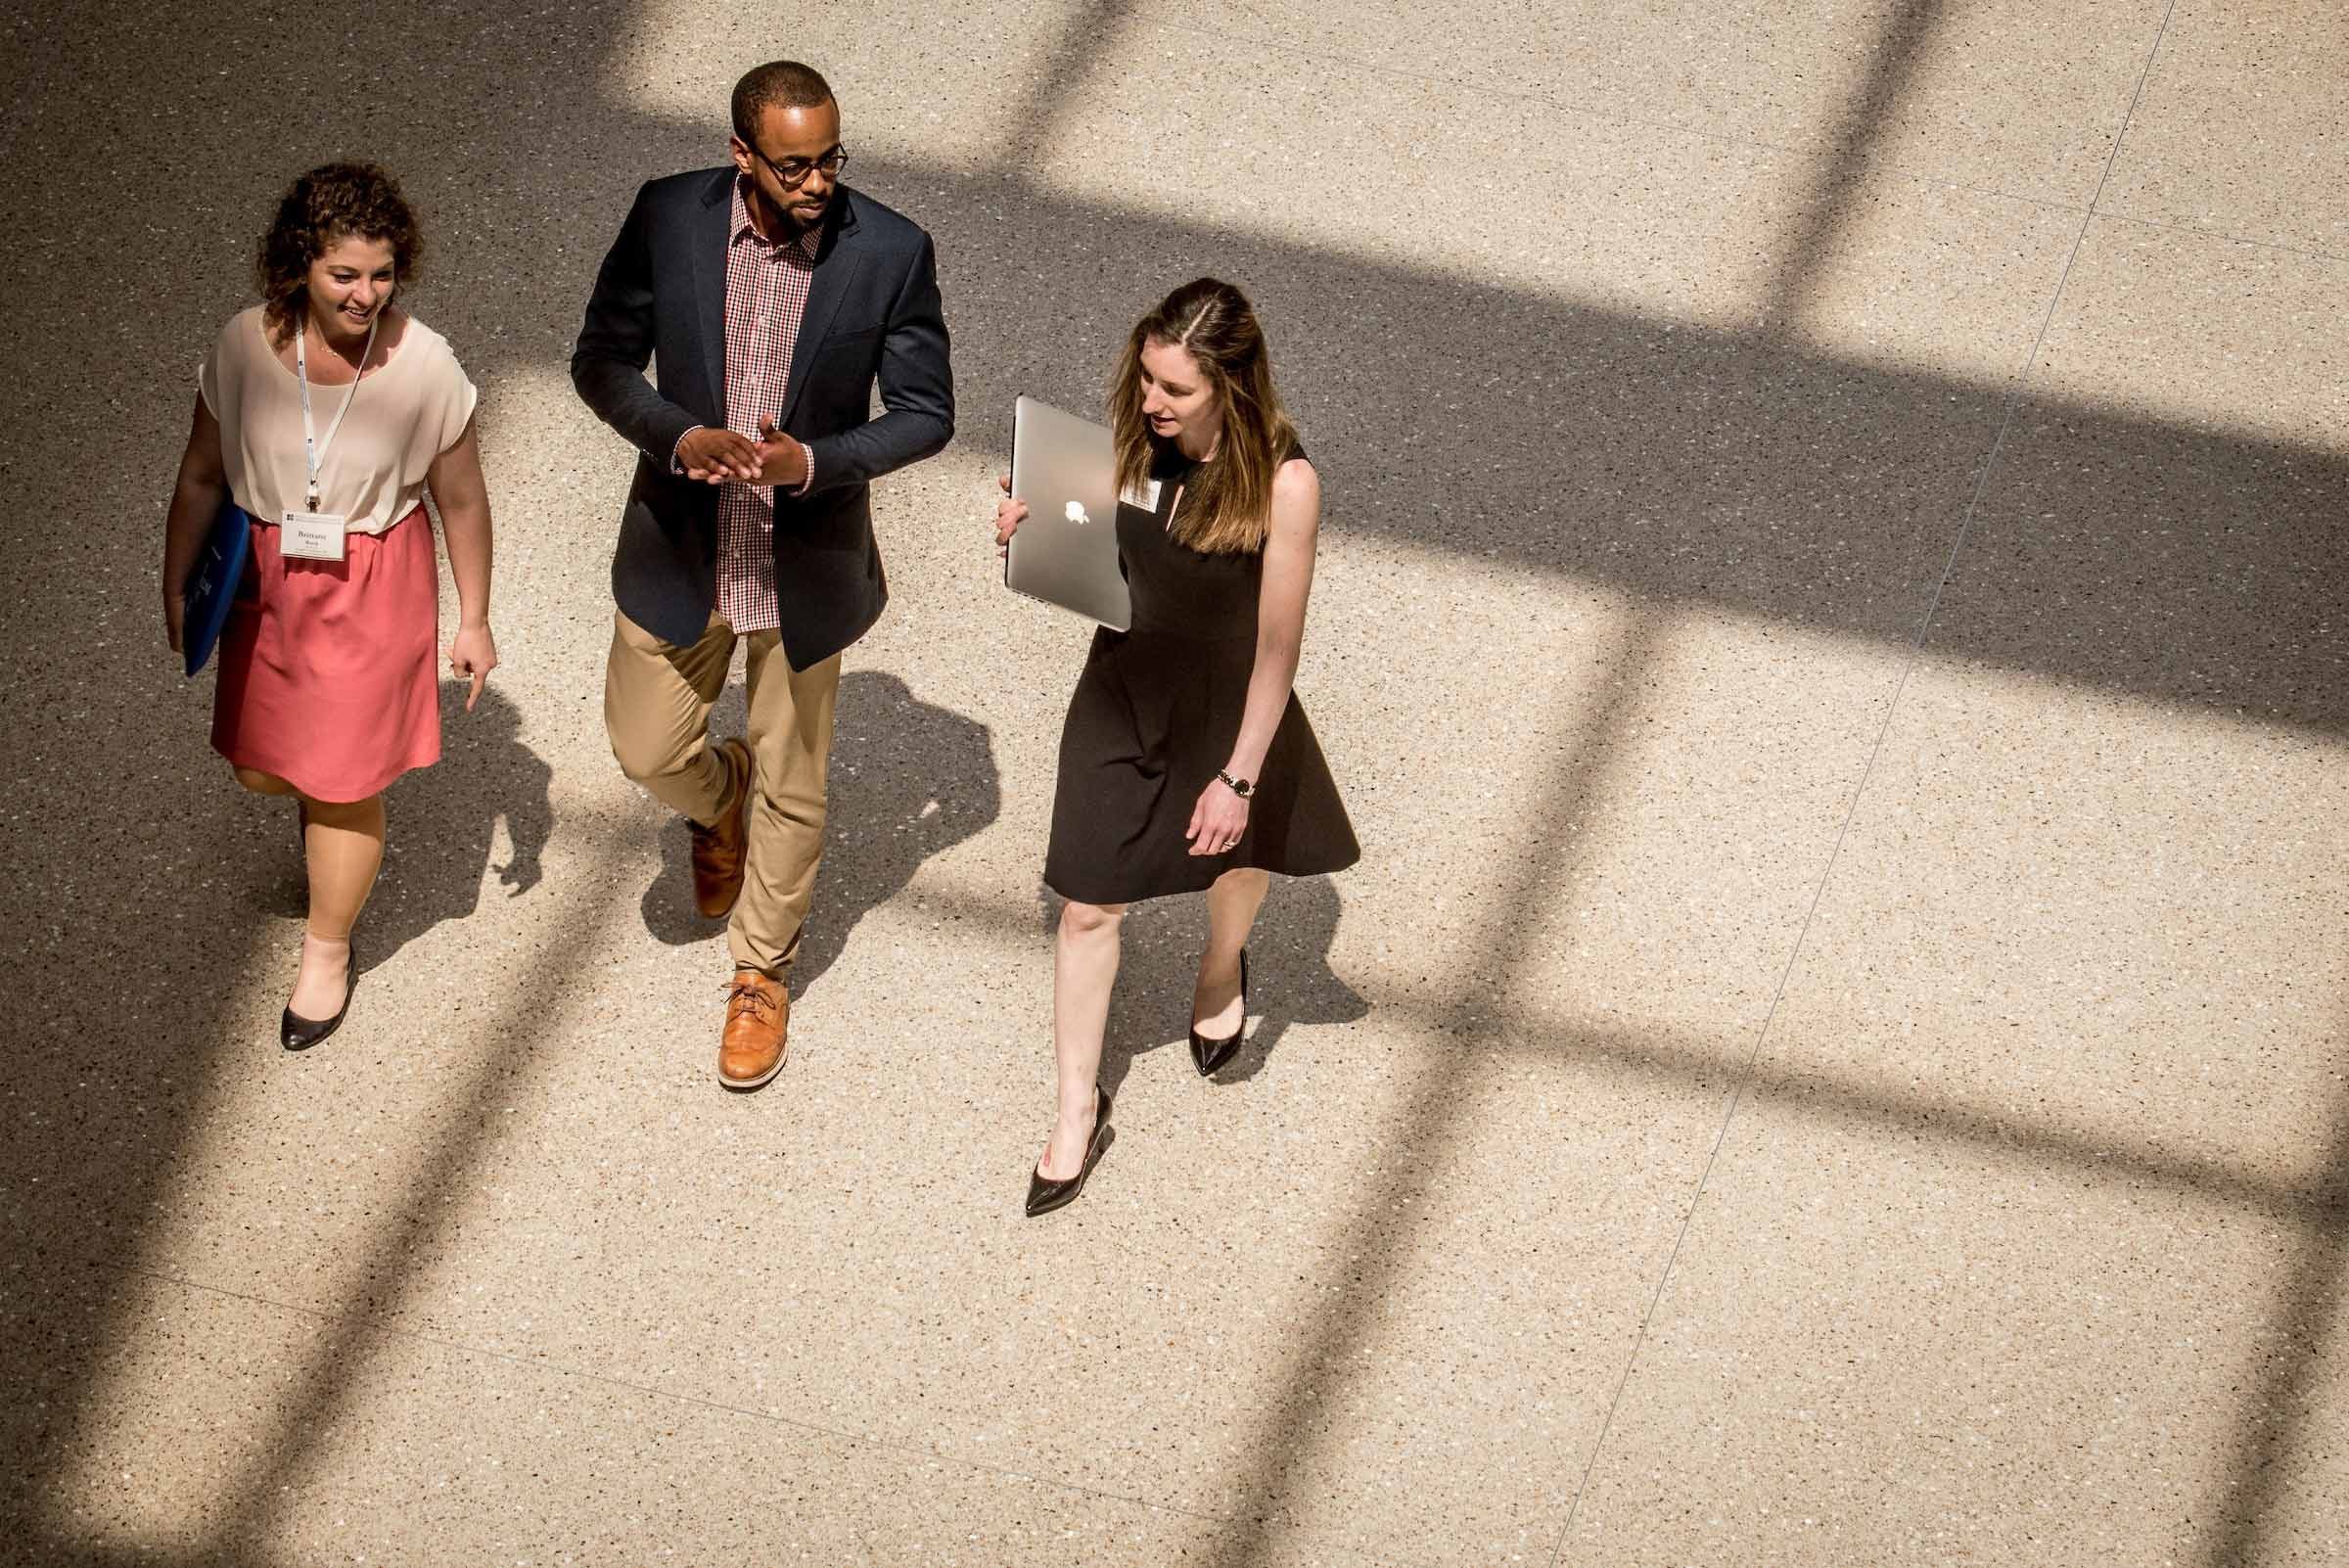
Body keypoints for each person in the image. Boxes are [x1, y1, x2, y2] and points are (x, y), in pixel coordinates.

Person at [573, 60, 953, 1090]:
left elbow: (928, 411)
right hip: (680, 544)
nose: (819, 181)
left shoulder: (892, 251)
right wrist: (677, 433)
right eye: (794, 164)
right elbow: (600, 359)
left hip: (805, 562)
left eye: (831, 158)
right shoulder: (666, 216)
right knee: (644, 742)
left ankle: (760, 972)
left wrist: (815, 463)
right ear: (742, 153)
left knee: (798, 776)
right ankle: (715, 793)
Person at [992, 278, 1359, 1216]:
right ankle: (1077, 1107)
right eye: (1147, 378)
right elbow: (1095, 555)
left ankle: (1221, 963)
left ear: (1231, 388)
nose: (1151, 402)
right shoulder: (1129, 438)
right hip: (1122, 688)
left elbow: (1278, 648)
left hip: (1228, 704)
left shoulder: (1286, 483)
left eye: (1174, 390)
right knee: (1085, 904)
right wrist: (1028, 534)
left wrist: (1239, 776)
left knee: (1233, 864)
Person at [160, 162, 497, 1051]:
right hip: (266, 581)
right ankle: (326, 822)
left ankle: (327, 950)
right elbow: (199, 474)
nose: (366, 294)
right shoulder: (242, 346)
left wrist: (473, 618)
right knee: (264, 768)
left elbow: (461, 500)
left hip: (372, 579)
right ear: (298, 266)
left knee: (342, 787)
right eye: (344, 274)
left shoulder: (423, 363)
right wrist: (177, 577)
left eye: (382, 274)